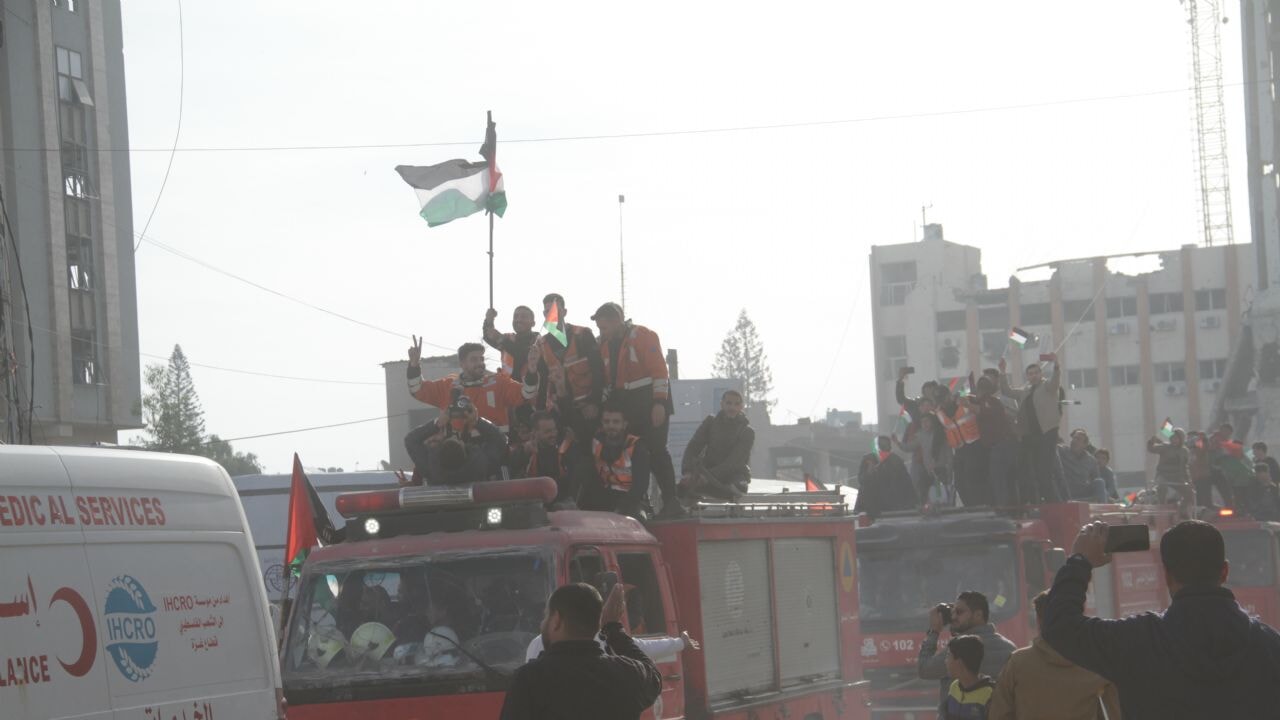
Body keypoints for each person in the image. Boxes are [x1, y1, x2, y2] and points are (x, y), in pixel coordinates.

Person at [1041, 520, 1280, 719]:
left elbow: (1060, 626)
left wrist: (1080, 561)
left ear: (1166, 574)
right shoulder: (1269, 646)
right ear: (1225, 572)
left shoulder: (1137, 641)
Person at [499, 583, 662, 720]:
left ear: (556, 620)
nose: (542, 625)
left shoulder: (529, 679)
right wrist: (613, 627)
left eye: (545, 617)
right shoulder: (629, 674)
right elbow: (653, 674)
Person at [592, 302, 681, 518]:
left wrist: (659, 403)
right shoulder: (604, 345)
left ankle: (671, 502)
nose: (601, 332)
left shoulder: (643, 336)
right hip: (627, 404)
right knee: (633, 453)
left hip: (649, 400)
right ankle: (640, 502)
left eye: (603, 327)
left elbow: (660, 371)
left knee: (657, 451)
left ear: (616, 321)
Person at [987, 591, 1121, 720]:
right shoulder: (1095, 663)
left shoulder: (1017, 663)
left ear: (1039, 620)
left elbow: (999, 715)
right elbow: (1118, 713)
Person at [918, 591, 1016, 718]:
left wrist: (934, 631)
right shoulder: (1010, 648)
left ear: (978, 615)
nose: (953, 617)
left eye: (959, 612)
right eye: (952, 612)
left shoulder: (958, 648)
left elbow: (924, 669)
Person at [522, 294, 606, 442]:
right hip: (560, 410)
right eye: (547, 311)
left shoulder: (582, 335)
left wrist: (595, 402)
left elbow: (598, 370)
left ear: (564, 312)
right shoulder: (541, 344)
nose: (551, 314)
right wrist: (541, 413)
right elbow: (542, 384)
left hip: (587, 409)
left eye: (555, 309)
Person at [408, 339, 527, 434]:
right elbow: (418, 390)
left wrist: (531, 371)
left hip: (493, 451)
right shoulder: (447, 386)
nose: (480, 363)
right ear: (462, 363)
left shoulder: (499, 382)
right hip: (460, 453)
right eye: (474, 359)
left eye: (481, 359)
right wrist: (414, 365)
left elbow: (526, 393)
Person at [999, 354, 1065, 503]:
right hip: (1031, 436)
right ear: (1027, 377)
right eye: (1030, 374)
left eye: (1036, 373)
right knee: (1032, 470)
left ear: (1041, 374)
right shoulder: (1025, 392)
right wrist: (1003, 371)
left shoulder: (1047, 387)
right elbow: (1007, 391)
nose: (1034, 376)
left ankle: (1054, 502)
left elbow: (1055, 381)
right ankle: (1041, 501)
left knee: (1044, 471)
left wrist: (1056, 365)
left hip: (1047, 432)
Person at [403, 394, 506, 485]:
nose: (456, 436)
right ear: (465, 451)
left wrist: (438, 423)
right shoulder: (479, 464)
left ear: (439, 451)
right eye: (458, 440)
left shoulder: (432, 468)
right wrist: (476, 421)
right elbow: (500, 438)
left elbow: (410, 440)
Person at [679, 389, 755, 502]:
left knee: (737, 488)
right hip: (707, 472)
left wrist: (708, 477)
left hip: (733, 476)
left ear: (741, 407)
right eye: (728, 403)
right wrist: (688, 472)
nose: (732, 408)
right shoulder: (710, 422)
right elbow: (693, 447)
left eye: (736, 404)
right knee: (680, 490)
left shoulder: (747, 432)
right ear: (722, 404)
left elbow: (734, 462)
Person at [580, 403, 651, 517]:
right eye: (607, 422)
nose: (611, 426)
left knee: (635, 517)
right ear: (602, 423)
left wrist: (620, 509)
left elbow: (640, 486)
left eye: (616, 422)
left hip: (631, 499)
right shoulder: (596, 442)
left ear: (624, 424)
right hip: (604, 495)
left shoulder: (636, 447)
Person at [966, 375, 1019, 506]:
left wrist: (966, 403)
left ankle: (1004, 508)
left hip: (1001, 446)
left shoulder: (989, 401)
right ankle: (1010, 506)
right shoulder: (991, 400)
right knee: (1006, 479)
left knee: (999, 479)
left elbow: (981, 410)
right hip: (1005, 445)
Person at [520, 410, 583, 507]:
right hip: (533, 502)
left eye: (554, 430)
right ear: (534, 433)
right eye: (547, 432)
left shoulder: (566, 448)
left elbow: (572, 483)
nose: (553, 434)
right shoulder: (524, 450)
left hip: (562, 501)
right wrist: (524, 453)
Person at [941, 635, 995, 720]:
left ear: (959, 662)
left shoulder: (990, 695)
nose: (946, 661)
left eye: (948, 656)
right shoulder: (954, 686)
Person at [483, 305, 539, 379]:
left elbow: (523, 355)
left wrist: (502, 340)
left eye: (524, 317)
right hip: (507, 387)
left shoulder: (539, 341)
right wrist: (489, 320)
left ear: (533, 323)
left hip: (530, 387)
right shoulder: (508, 338)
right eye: (515, 317)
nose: (519, 320)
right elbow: (488, 337)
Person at [1057, 430, 1107, 503]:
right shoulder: (1061, 451)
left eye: (1078, 439)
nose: (1074, 441)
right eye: (1074, 438)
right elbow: (1051, 445)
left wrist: (1104, 495)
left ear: (1085, 445)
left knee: (1099, 482)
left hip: (1082, 492)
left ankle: (1103, 508)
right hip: (1065, 491)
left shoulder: (1091, 461)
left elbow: (1096, 480)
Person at [1148, 429, 1193, 509]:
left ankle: (1182, 510)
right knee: (1162, 487)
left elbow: (1185, 467)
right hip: (1163, 474)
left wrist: (1188, 480)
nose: (1174, 440)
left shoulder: (1184, 451)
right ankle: (1162, 508)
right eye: (1172, 437)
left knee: (1189, 493)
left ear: (1181, 439)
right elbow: (1151, 449)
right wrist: (1151, 441)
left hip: (1177, 476)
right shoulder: (1165, 447)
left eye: (1176, 438)